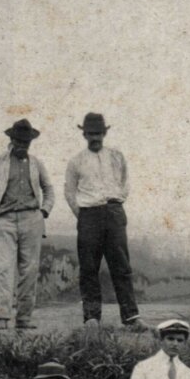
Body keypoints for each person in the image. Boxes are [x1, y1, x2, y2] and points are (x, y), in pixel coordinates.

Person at [0, 120, 55, 331]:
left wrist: (44, 211)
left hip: (31, 219)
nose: (22, 146)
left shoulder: (36, 163)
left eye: (26, 142)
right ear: (11, 140)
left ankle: (24, 319)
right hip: (5, 220)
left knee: (29, 270)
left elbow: (49, 188)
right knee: (4, 269)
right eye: (19, 141)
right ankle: (1, 318)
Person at [62, 112, 140, 330]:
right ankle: (91, 318)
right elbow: (69, 191)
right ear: (84, 134)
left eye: (98, 133)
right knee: (89, 268)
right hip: (89, 216)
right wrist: (84, 214)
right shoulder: (76, 161)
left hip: (114, 213)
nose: (94, 138)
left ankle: (131, 317)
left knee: (122, 266)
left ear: (104, 133)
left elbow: (124, 183)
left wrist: (116, 203)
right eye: (90, 134)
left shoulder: (117, 157)